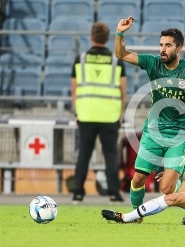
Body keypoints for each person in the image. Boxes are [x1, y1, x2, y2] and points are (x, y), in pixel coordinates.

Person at [114, 16, 185, 211]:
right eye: (161, 45)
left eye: (167, 45)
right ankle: (136, 214)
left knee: (167, 188)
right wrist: (120, 33)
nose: (162, 49)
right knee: (139, 177)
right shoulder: (153, 63)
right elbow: (121, 54)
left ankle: (176, 176)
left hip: (181, 134)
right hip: (154, 131)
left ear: (179, 48)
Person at [71, 22, 127, 203]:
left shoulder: (80, 59)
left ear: (91, 37)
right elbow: (122, 92)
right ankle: (114, 193)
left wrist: (77, 112)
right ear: (108, 39)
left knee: (84, 154)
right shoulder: (116, 61)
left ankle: (78, 193)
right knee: (110, 154)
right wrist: (119, 115)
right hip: (109, 115)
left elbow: (74, 91)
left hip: (86, 114)